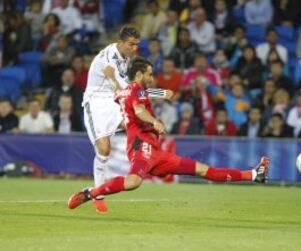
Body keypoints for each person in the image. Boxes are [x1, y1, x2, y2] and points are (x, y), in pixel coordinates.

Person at [68, 56, 269, 210]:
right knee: (133, 182)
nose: (152, 78)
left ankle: (253, 174)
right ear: (138, 75)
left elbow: (119, 90)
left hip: (156, 152)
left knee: (203, 170)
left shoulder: (126, 92)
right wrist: (154, 120)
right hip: (141, 147)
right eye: (149, 74)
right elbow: (139, 110)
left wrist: (113, 76)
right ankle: (90, 193)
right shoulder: (136, 92)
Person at [82, 27, 172, 213]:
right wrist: (160, 93)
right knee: (104, 149)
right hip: (96, 103)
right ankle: (98, 195)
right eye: (131, 44)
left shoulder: (127, 58)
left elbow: (131, 88)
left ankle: (146, 159)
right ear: (120, 42)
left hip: (114, 100)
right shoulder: (109, 60)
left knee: (138, 123)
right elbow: (125, 89)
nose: (134, 48)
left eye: (137, 45)